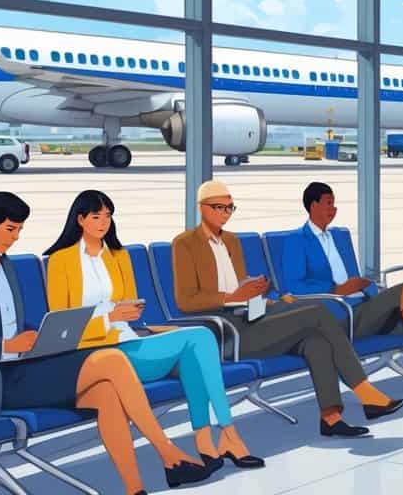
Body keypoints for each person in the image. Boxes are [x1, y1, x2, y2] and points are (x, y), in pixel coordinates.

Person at [0, 192, 213, 495]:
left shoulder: (6, 265)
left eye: (20, 230)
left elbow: (10, 321)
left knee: (107, 394)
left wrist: (38, 338)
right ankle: (168, 453)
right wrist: (7, 344)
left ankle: (134, 489)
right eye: (10, 229)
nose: (15, 237)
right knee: (111, 360)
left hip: (23, 368)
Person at [44, 190, 262, 470]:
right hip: (98, 355)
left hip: (129, 340)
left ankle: (207, 442)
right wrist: (109, 317)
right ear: (80, 219)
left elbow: (131, 307)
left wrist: (132, 317)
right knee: (201, 337)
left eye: (108, 216)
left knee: (192, 354)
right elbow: (63, 326)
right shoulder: (61, 261)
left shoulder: (119, 256)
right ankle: (228, 436)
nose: (103, 222)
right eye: (96, 216)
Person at [172, 181, 403, 438]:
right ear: (202, 208)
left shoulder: (231, 241)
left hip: (253, 315)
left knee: (316, 342)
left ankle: (331, 417)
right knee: (316, 312)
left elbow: (240, 287)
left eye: (230, 207)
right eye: (219, 207)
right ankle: (365, 392)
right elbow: (186, 301)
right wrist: (231, 297)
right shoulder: (185, 244)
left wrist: (263, 292)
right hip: (228, 331)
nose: (226, 213)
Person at [286, 182, 403, 382]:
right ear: (313, 206)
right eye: (328, 204)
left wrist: (367, 287)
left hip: (364, 306)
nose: (333, 209)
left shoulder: (336, 237)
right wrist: (336, 289)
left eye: (334, 204)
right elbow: (294, 286)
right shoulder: (296, 240)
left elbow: (358, 279)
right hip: (339, 314)